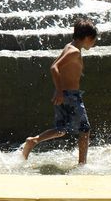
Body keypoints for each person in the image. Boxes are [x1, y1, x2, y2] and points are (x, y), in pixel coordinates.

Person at [22, 19, 98, 165]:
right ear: (88, 38)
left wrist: (60, 91)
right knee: (84, 130)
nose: (94, 43)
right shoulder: (74, 51)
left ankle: (33, 141)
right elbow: (54, 67)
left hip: (65, 94)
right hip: (70, 96)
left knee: (60, 130)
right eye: (94, 40)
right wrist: (59, 91)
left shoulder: (70, 46)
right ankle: (82, 164)